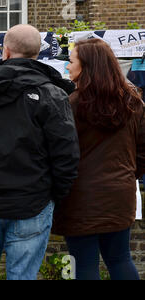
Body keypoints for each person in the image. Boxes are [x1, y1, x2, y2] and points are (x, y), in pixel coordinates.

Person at [0, 24, 80, 280]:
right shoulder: (52, 93)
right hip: (31, 202)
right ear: (37, 53)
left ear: (6, 51)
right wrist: (54, 193)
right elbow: (66, 153)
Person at [52, 38, 145, 280]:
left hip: (80, 198)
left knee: (83, 266)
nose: (67, 67)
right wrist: (127, 173)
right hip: (120, 194)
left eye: (71, 62)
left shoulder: (70, 105)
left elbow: (60, 155)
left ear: (87, 66)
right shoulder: (133, 102)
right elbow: (143, 150)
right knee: (120, 259)